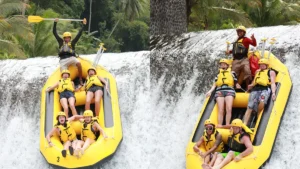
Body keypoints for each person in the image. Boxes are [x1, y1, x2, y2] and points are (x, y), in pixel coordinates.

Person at [206, 59, 241, 128]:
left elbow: (236, 82)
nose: (222, 65)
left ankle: (227, 123)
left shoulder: (232, 73)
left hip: (229, 90)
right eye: (221, 64)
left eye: (224, 64)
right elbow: (215, 84)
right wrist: (210, 91)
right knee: (221, 109)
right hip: (219, 91)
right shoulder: (218, 74)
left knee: (228, 108)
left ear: (227, 65)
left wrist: (237, 85)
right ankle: (220, 124)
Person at [53, 18, 87, 85]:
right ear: (64, 38)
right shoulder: (60, 42)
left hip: (71, 58)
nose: (67, 39)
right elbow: (54, 33)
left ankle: (80, 79)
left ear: (70, 38)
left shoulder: (72, 43)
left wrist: (84, 25)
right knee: (64, 75)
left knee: (79, 64)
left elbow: (79, 35)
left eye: (68, 37)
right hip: (63, 60)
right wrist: (55, 23)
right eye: (65, 37)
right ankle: (67, 85)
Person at [243, 58, 277, 126]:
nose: (261, 66)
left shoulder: (271, 72)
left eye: (263, 65)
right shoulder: (257, 71)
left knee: (262, 102)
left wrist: (273, 93)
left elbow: (273, 83)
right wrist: (251, 86)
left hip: (265, 88)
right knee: (250, 106)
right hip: (255, 89)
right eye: (260, 65)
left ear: (266, 65)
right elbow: (254, 81)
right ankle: (244, 124)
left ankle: (257, 114)